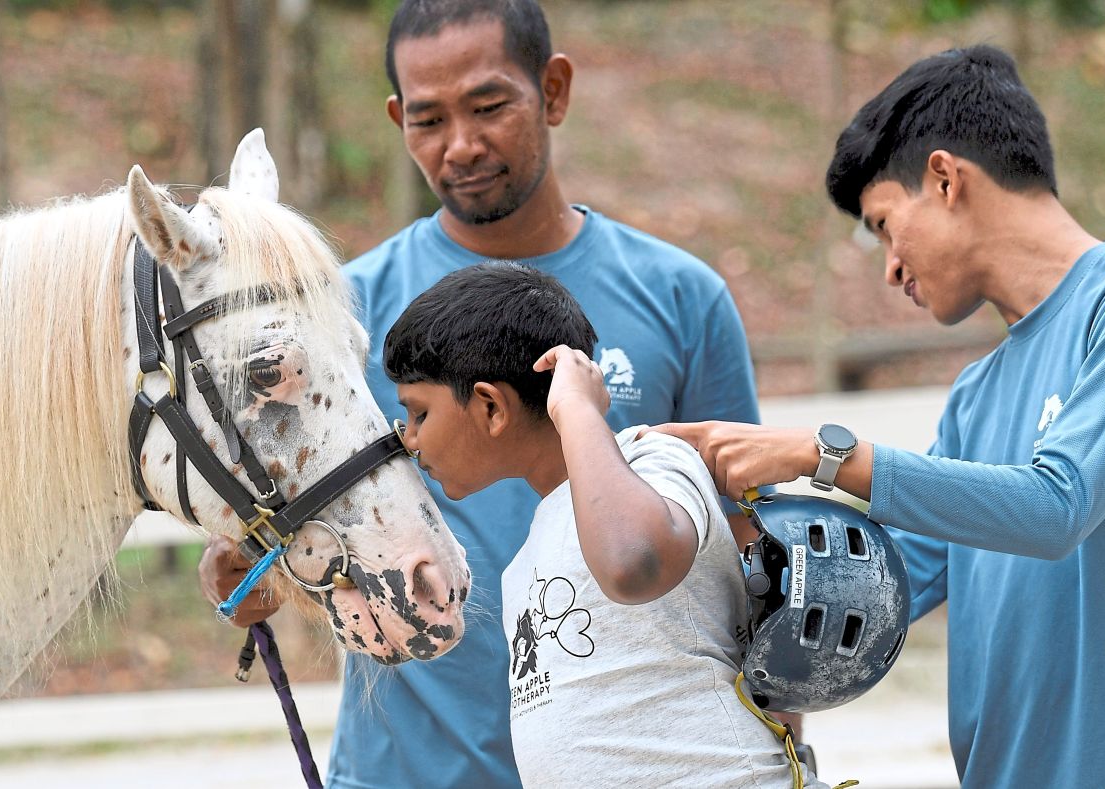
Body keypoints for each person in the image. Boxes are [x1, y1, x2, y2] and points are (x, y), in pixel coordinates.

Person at [198, 1, 763, 786]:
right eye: (428, 119)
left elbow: (748, 548)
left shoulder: (680, 298)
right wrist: (254, 578)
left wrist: (782, 740)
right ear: (398, 119)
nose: (461, 144)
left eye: (490, 105)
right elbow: (299, 523)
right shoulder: (340, 319)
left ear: (554, 90)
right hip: (406, 768)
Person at [649, 44, 1105, 787]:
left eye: (884, 224)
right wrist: (694, 540)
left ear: (946, 179)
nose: (888, 266)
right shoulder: (977, 395)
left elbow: (1056, 505)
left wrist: (818, 453)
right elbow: (878, 581)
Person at [384, 261, 825, 788]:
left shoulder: (653, 460)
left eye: (419, 413)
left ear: (490, 407)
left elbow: (632, 565)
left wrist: (574, 409)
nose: (409, 439)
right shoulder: (524, 562)